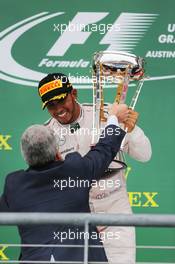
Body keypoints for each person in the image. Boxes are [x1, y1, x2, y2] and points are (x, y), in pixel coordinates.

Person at [37, 72, 152, 264]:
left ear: (73, 93)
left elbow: (145, 155)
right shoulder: (46, 135)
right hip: (74, 222)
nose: (58, 109)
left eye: (61, 100)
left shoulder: (108, 116)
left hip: (115, 213)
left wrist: (132, 131)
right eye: (51, 105)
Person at [0, 103, 126, 263]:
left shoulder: (15, 185)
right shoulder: (75, 170)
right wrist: (114, 117)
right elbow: (106, 148)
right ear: (57, 151)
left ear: (25, 156)